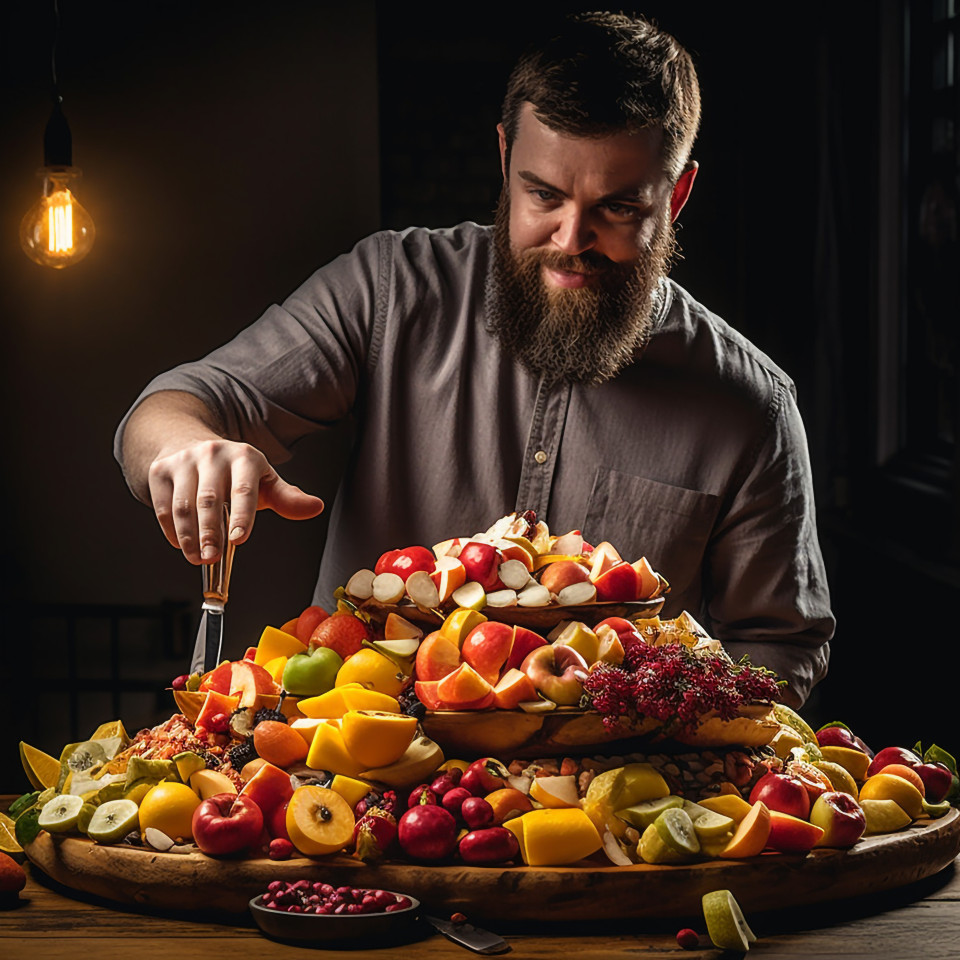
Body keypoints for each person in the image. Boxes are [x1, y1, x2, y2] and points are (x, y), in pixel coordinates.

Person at [115, 12, 833, 707]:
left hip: (598, 804)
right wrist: (189, 450)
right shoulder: (388, 288)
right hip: (357, 784)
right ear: (504, 158)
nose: (571, 237)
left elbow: (781, 646)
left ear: (675, 196)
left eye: (616, 208)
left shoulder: (752, 404)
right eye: (543, 195)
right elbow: (175, 407)